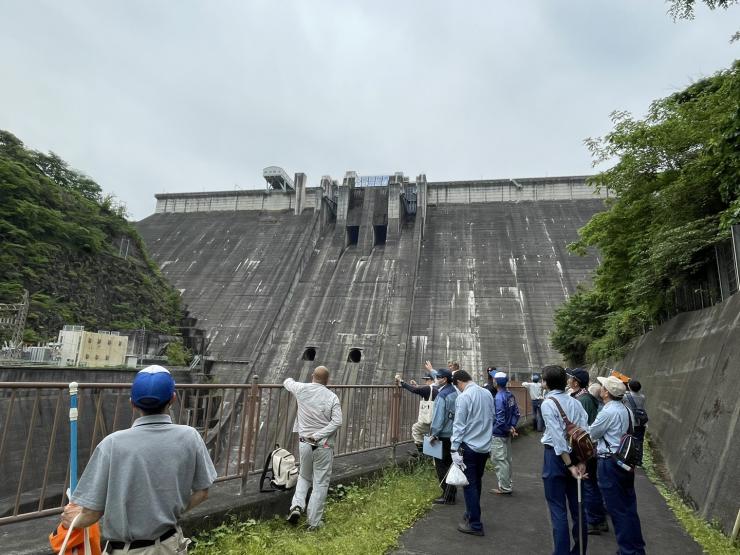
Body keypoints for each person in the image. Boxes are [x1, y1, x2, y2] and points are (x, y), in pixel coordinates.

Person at [61, 365, 217, 554]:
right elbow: (202, 492)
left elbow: (91, 514)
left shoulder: (112, 444)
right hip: (170, 545)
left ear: (132, 404)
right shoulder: (190, 436)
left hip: (127, 549)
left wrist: (71, 519)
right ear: (173, 399)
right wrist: (168, 512)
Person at [590, 376, 646, 554]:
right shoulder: (626, 409)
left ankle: (627, 550)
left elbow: (593, 434)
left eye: (603, 386)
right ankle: (636, 548)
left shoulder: (607, 412)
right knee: (629, 507)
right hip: (625, 461)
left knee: (617, 509)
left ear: (606, 392)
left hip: (610, 462)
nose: (600, 387)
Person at [285, 366, 343, 530]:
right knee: (320, 483)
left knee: (304, 476)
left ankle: (296, 506)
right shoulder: (332, 397)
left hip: (304, 443)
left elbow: (287, 382)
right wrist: (318, 435)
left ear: (312, 376)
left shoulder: (301, 389)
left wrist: (290, 380)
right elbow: (337, 422)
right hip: (323, 446)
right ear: (327, 380)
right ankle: (313, 523)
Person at [540, 365, 589, 555]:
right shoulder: (576, 402)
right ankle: (579, 551)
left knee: (557, 509)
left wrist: (569, 465)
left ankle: (561, 552)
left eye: (543, 379)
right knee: (578, 510)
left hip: (557, 458)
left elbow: (557, 437)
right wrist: (582, 462)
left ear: (547, 382)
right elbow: (585, 432)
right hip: (578, 455)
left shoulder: (548, 403)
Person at [449, 370, 494, 536]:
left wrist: (454, 448)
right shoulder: (487, 393)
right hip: (484, 447)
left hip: (469, 447)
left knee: (469, 485)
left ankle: (475, 524)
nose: (459, 389)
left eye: (458, 386)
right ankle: (470, 513)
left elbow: (459, 425)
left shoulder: (464, 397)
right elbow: (492, 416)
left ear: (460, 382)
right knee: (476, 482)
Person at [567, 368, 608, 536]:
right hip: (590, 446)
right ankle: (599, 519)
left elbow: (580, 428)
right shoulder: (586, 397)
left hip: (585, 448)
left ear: (576, 382)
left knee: (588, 485)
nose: (568, 380)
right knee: (591, 484)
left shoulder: (582, 400)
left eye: (571, 378)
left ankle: (594, 520)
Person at [429, 368, 459, 505]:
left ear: (444, 379)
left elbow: (438, 417)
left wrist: (434, 434)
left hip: (442, 435)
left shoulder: (442, 395)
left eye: (438, 377)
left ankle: (447, 495)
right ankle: (451, 493)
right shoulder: (454, 391)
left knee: (441, 466)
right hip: (453, 434)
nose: (436, 379)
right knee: (450, 465)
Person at [489, 371, 520, 495]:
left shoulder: (498, 397)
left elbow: (500, 420)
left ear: (496, 382)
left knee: (500, 460)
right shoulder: (510, 395)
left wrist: (507, 428)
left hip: (498, 433)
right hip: (506, 433)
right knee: (507, 459)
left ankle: (505, 487)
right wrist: (512, 426)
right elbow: (516, 413)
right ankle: (507, 484)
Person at [395, 370, 439, 454]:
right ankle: (432, 453)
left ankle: (422, 453)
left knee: (415, 429)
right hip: (437, 419)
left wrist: (401, 381)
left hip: (429, 420)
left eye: (426, 380)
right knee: (431, 434)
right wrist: (416, 386)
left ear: (431, 380)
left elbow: (414, 390)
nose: (425, 382)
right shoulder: (438, 388)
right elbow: (421, 390)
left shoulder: (428, 388)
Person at [623, 380, 647, 465]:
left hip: (630, 422)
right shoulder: (642, 397)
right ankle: (638, 460)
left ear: (629, 387)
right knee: (639, 441)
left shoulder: (625, 396)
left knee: (627, 439)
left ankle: (627, 456)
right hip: (641, 422)